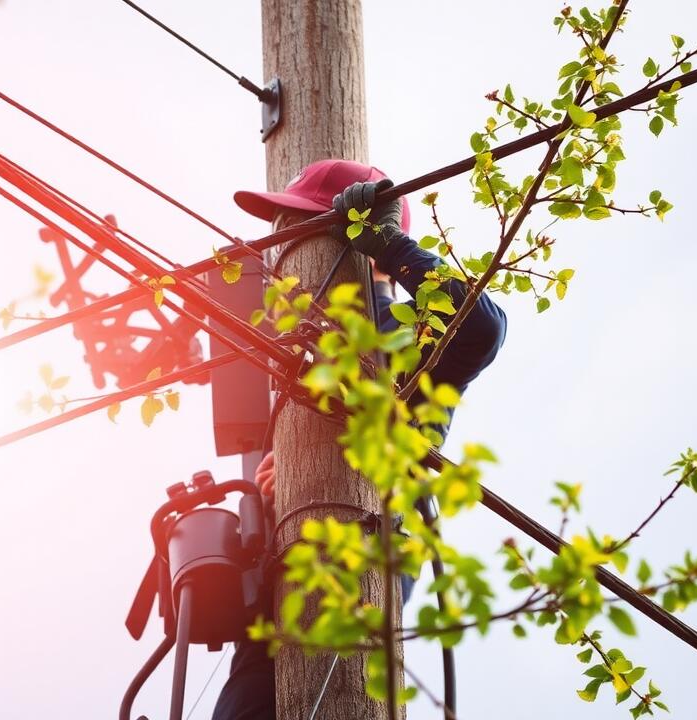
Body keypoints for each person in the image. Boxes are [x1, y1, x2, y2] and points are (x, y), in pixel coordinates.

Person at [212, 159, 507, 720]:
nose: (279, 246)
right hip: (281, 584)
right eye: (280, 229)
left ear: (347, 238)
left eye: (294, 227)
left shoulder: (407, 331)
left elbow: (483, 329)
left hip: (367, 557)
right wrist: (280, 485)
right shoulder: (292, 346)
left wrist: (387, 244)